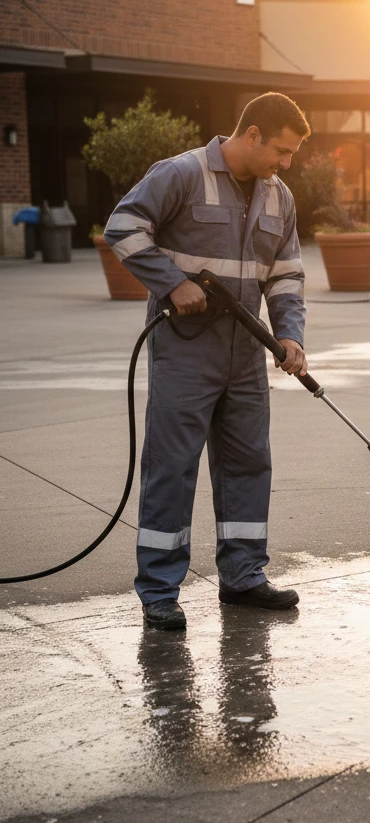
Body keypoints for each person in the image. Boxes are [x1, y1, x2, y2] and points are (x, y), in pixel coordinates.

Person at [104, 92, 311, 630]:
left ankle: (243, 578)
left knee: (248, 463)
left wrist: (289, 336)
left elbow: (286, 276)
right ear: (252, 135)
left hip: (246, 355)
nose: (285, 164)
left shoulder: (278, 197)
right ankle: (159, 592)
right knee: (171, 468)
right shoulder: (181, 174)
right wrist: (172, 284)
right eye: (282, 151)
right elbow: (123, 227)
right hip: (186, 351)